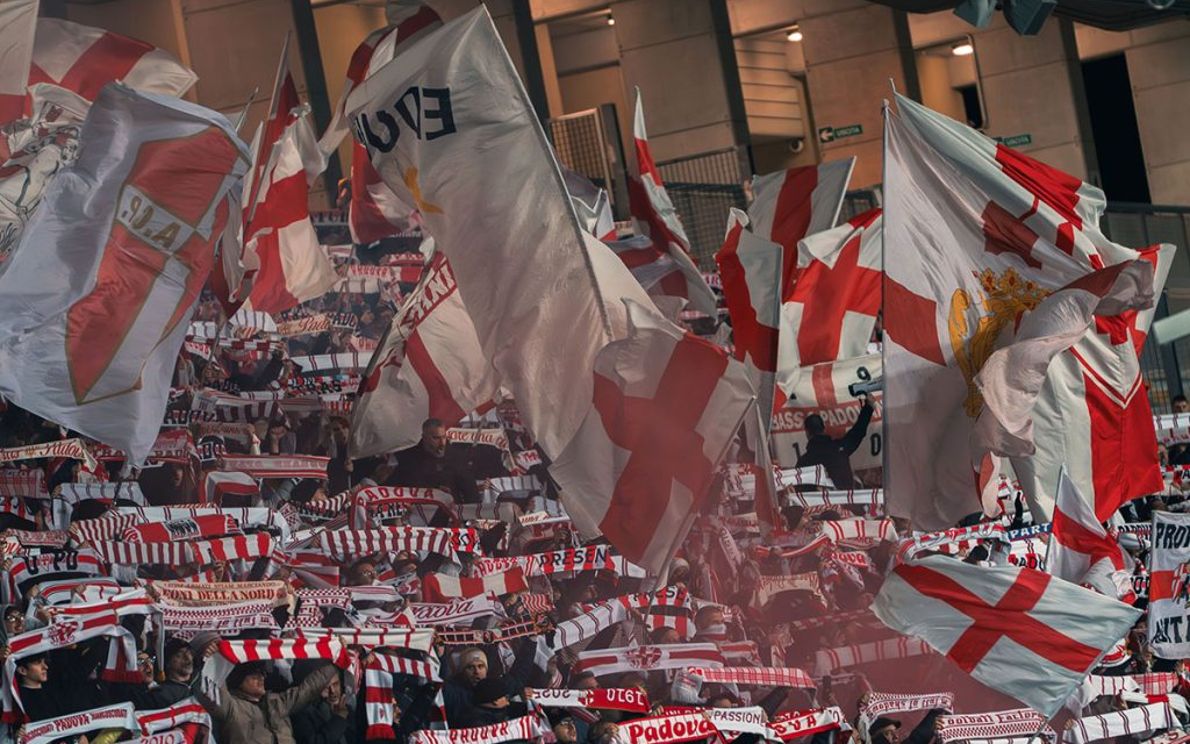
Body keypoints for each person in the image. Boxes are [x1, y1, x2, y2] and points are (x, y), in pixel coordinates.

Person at [198, 659, 338, 744]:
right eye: (254, 676)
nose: (261, 678)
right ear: (238, 681)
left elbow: (307, 689)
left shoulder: (276, 701)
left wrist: (336, 662)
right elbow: (211, 685)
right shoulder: (232, 706)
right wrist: (208, 659)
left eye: (262, 674)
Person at [388, 419, 479, 503]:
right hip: (417, 514)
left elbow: (471, 492)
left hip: (449, 514)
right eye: (436, 438)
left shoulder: (456, 457)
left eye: (443, 437)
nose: (442, 443)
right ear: (424, 437)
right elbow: (395, 490)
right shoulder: (406, 458)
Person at [796, 393, 875, 488]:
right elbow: (858, 430)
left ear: (807, 433)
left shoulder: (803, 462)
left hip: (820, 502)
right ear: (824, 428)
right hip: (848, 501)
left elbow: (801, 492)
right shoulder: (840, 448)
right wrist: (868, 407)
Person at [290, 666, 356, 744]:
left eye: (336, 684)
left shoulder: (346, 709)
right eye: (326, 688)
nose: (333, 691)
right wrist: (339, 719)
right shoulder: (302, 714)